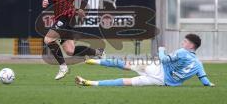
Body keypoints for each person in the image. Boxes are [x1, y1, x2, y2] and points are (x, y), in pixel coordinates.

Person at [42, 0, 105, 80]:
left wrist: (81, 8)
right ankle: (98, 52)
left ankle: (63, 67)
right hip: (58, 16)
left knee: (48, 39)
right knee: (70, 51)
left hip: (68, 17)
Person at [75, 34, 215, 87]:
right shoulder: (199, 64)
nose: (183, 43)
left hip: (157, 68)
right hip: (162, 82)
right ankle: (89, 83)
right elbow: (204, 80)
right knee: (125, 82)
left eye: (185, 41)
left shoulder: (183, 52)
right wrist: (210, 85)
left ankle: (93, 61)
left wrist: (161, 50)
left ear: (191, 45)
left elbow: (164, 60)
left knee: (125, 64)